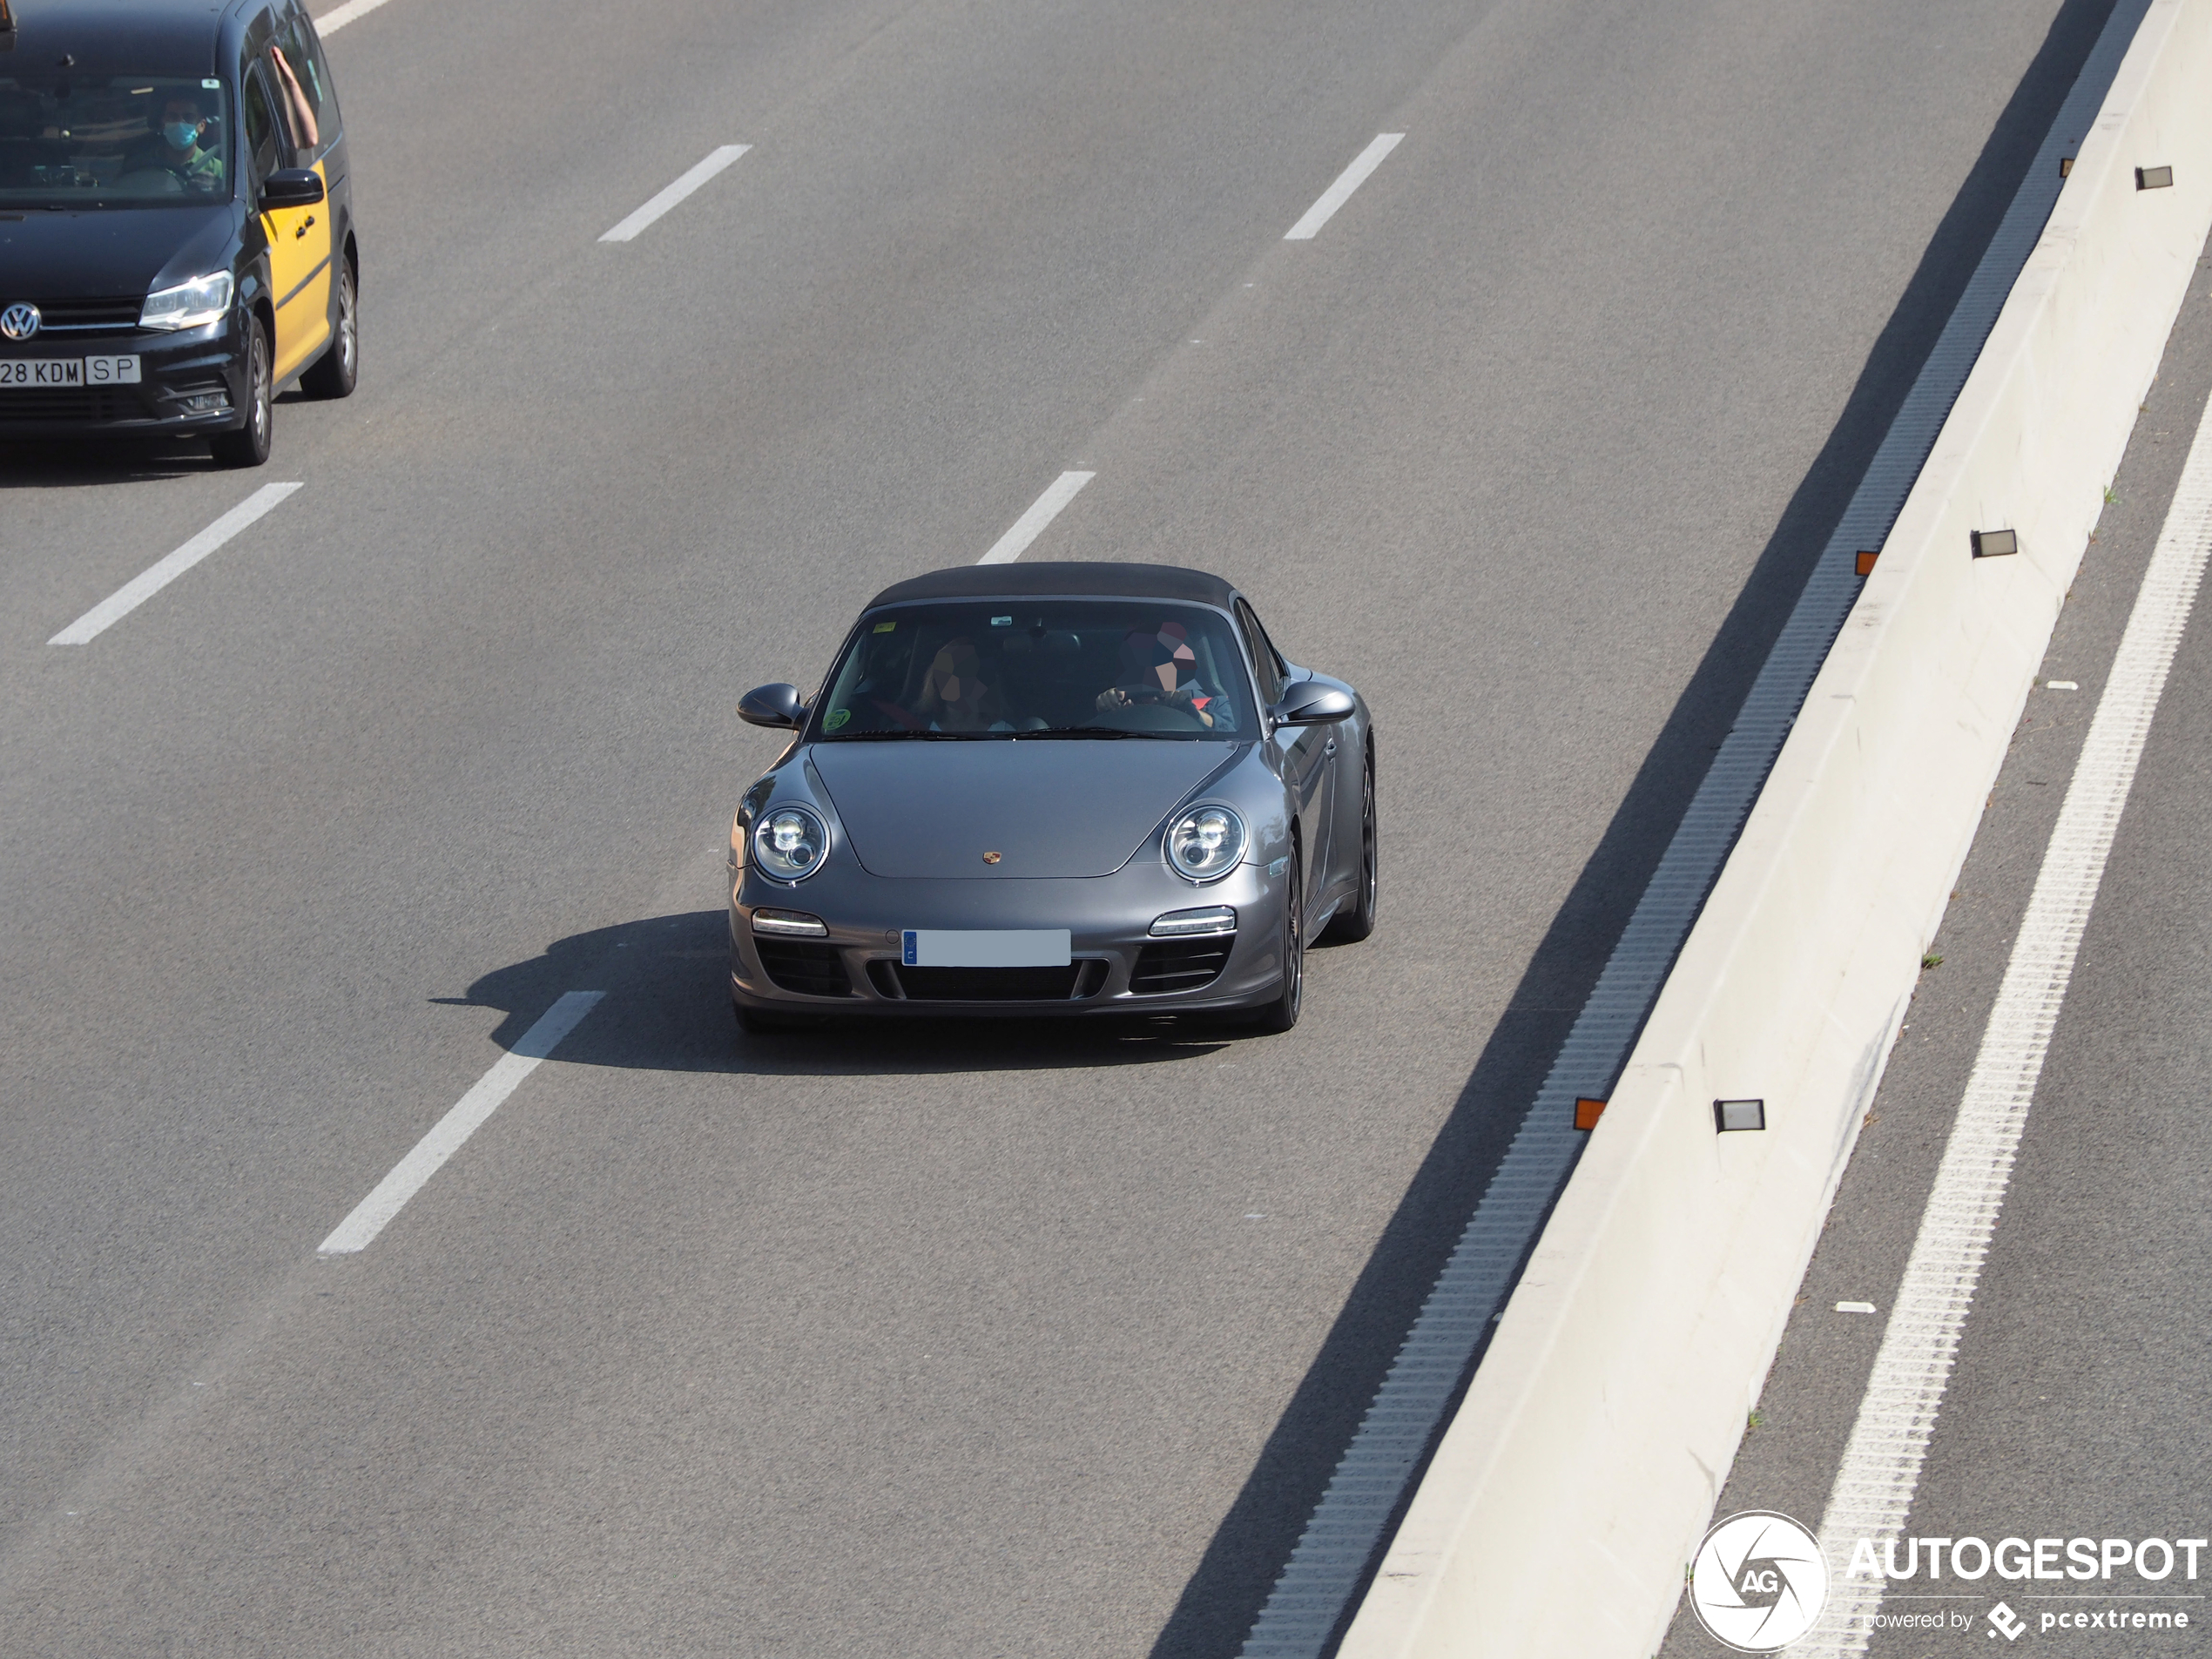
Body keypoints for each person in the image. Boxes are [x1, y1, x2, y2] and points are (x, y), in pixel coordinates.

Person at [1095, 620, 1234, 729]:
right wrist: (1108, 712)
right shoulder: (1116, 702)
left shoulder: (1215, 704)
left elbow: (1234, 739)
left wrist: (1191, 712)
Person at [125, 93, 224, 192]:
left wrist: (217, 189)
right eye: (173, 117)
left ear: (202, 126)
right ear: (163, 123)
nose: (180, 122)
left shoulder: (219, 170)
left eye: (188, 117)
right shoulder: (143, 165)